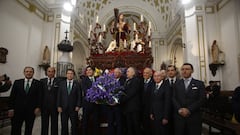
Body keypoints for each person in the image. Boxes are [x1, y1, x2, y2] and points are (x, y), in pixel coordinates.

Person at [172, 63, 205, 135]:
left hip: (194, 117)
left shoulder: (199, 84)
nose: (184, 71)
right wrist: (180, 109)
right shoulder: (176, 84)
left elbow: (201, 99)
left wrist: (189, 110)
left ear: (192, 71)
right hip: (179, 118)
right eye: (183, 69)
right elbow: (173, 98)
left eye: (187, 69)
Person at [8, 66, 42, 135]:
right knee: (15, 128)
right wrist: (11, 108)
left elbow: (40, 97)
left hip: (31, 111)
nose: (28, 73)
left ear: (33, 73)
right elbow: (12, 96)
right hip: (18, 110)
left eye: (30, 72)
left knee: (28, 129)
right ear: (24, 73)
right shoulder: (17, 82)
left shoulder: (38, 83)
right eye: (27, 71)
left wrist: (38, 107)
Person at [57, 69, 82, 135]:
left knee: (74, 125)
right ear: (66, 74)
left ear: (73, 75)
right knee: (64, 125)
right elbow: (59, 95)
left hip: (74, 108)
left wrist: (78, 105)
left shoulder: (77, 84)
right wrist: (58, 106)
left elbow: (79, 95)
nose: (70, 75)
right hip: (63, 107)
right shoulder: (62, 83)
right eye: (68, 73)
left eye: (71, 73)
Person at [119, 67, 142, 135]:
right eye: (127, 71)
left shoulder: (136, 81)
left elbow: (130, 93)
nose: (126, 73)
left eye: (128, 71)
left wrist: (120, 100)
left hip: (134, 108)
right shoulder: (127, 81)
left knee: (136, 126)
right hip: (127, 108)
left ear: (133, 73)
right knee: (129, 127)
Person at [150, 71, 171, 135]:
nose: (156, 78)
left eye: (158, 76)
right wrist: (151, 112)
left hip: (163, 115)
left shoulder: (166, 86)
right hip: (155, 115)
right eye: (155, 76)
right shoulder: (153, 86)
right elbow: (152, 100)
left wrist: (166, 117)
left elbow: (168, 102)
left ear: (162, 77)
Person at [81, 66, 100, 135]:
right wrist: (95, 95)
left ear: (93, 71)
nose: (88, 71)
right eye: (87, 70)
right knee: (85, 122)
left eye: (90, 70)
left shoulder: (98, 79)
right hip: (87, 104)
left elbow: (101, 89)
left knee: (96, 122)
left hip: (96, 104)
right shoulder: (84, 80)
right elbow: (86, 90)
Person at [40, 67, 59, 135]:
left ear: (54, 72)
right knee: (44, 123)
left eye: (52, 71)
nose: (50, 73)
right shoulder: (42, 81)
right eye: (49, 71)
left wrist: (58, 105)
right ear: (46, 72)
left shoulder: (59, 81)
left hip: (54, 107)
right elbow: (40, 94)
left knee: (54, 123)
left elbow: (59, 95)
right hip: (44, 106)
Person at [107, 68, 126, 135]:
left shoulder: (124, 81)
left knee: (119, 122)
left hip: (119, 106)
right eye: (114, 72)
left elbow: (124, 93)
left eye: (117, 72)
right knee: (110, 122)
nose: (115, 74)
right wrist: (108, 101)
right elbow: (106, 92)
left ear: (120, 74)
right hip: (110, 106)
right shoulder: (109, 81)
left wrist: (117, 101)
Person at [141, 67, 154, 135]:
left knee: (150, 127)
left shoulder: (154, 83)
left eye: (147, 73)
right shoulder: (140, 81)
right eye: (144, 73)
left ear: (151, 74)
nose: (145, 74)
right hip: (141, 109)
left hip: (150, 109)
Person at [166, 65, 179, 135]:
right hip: (167, 112)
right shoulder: (164, 83)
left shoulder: (180, 82)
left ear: (175, 71)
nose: (170, 72)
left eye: (172, 70)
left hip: (178, 111)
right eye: (168, 70)